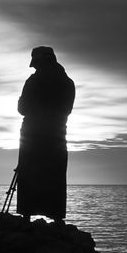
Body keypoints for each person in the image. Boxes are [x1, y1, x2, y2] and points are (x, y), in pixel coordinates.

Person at [16, 46, 75, 222]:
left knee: (29, 174)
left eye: (35, 64)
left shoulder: (33, 82)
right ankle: (56, 218)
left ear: (40, 62)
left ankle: (26, 215)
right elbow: (67, 111)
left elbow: (22, 108)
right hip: (57, 139)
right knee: (54, 177)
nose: (34, 68)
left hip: (32, 138)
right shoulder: (67, 83)